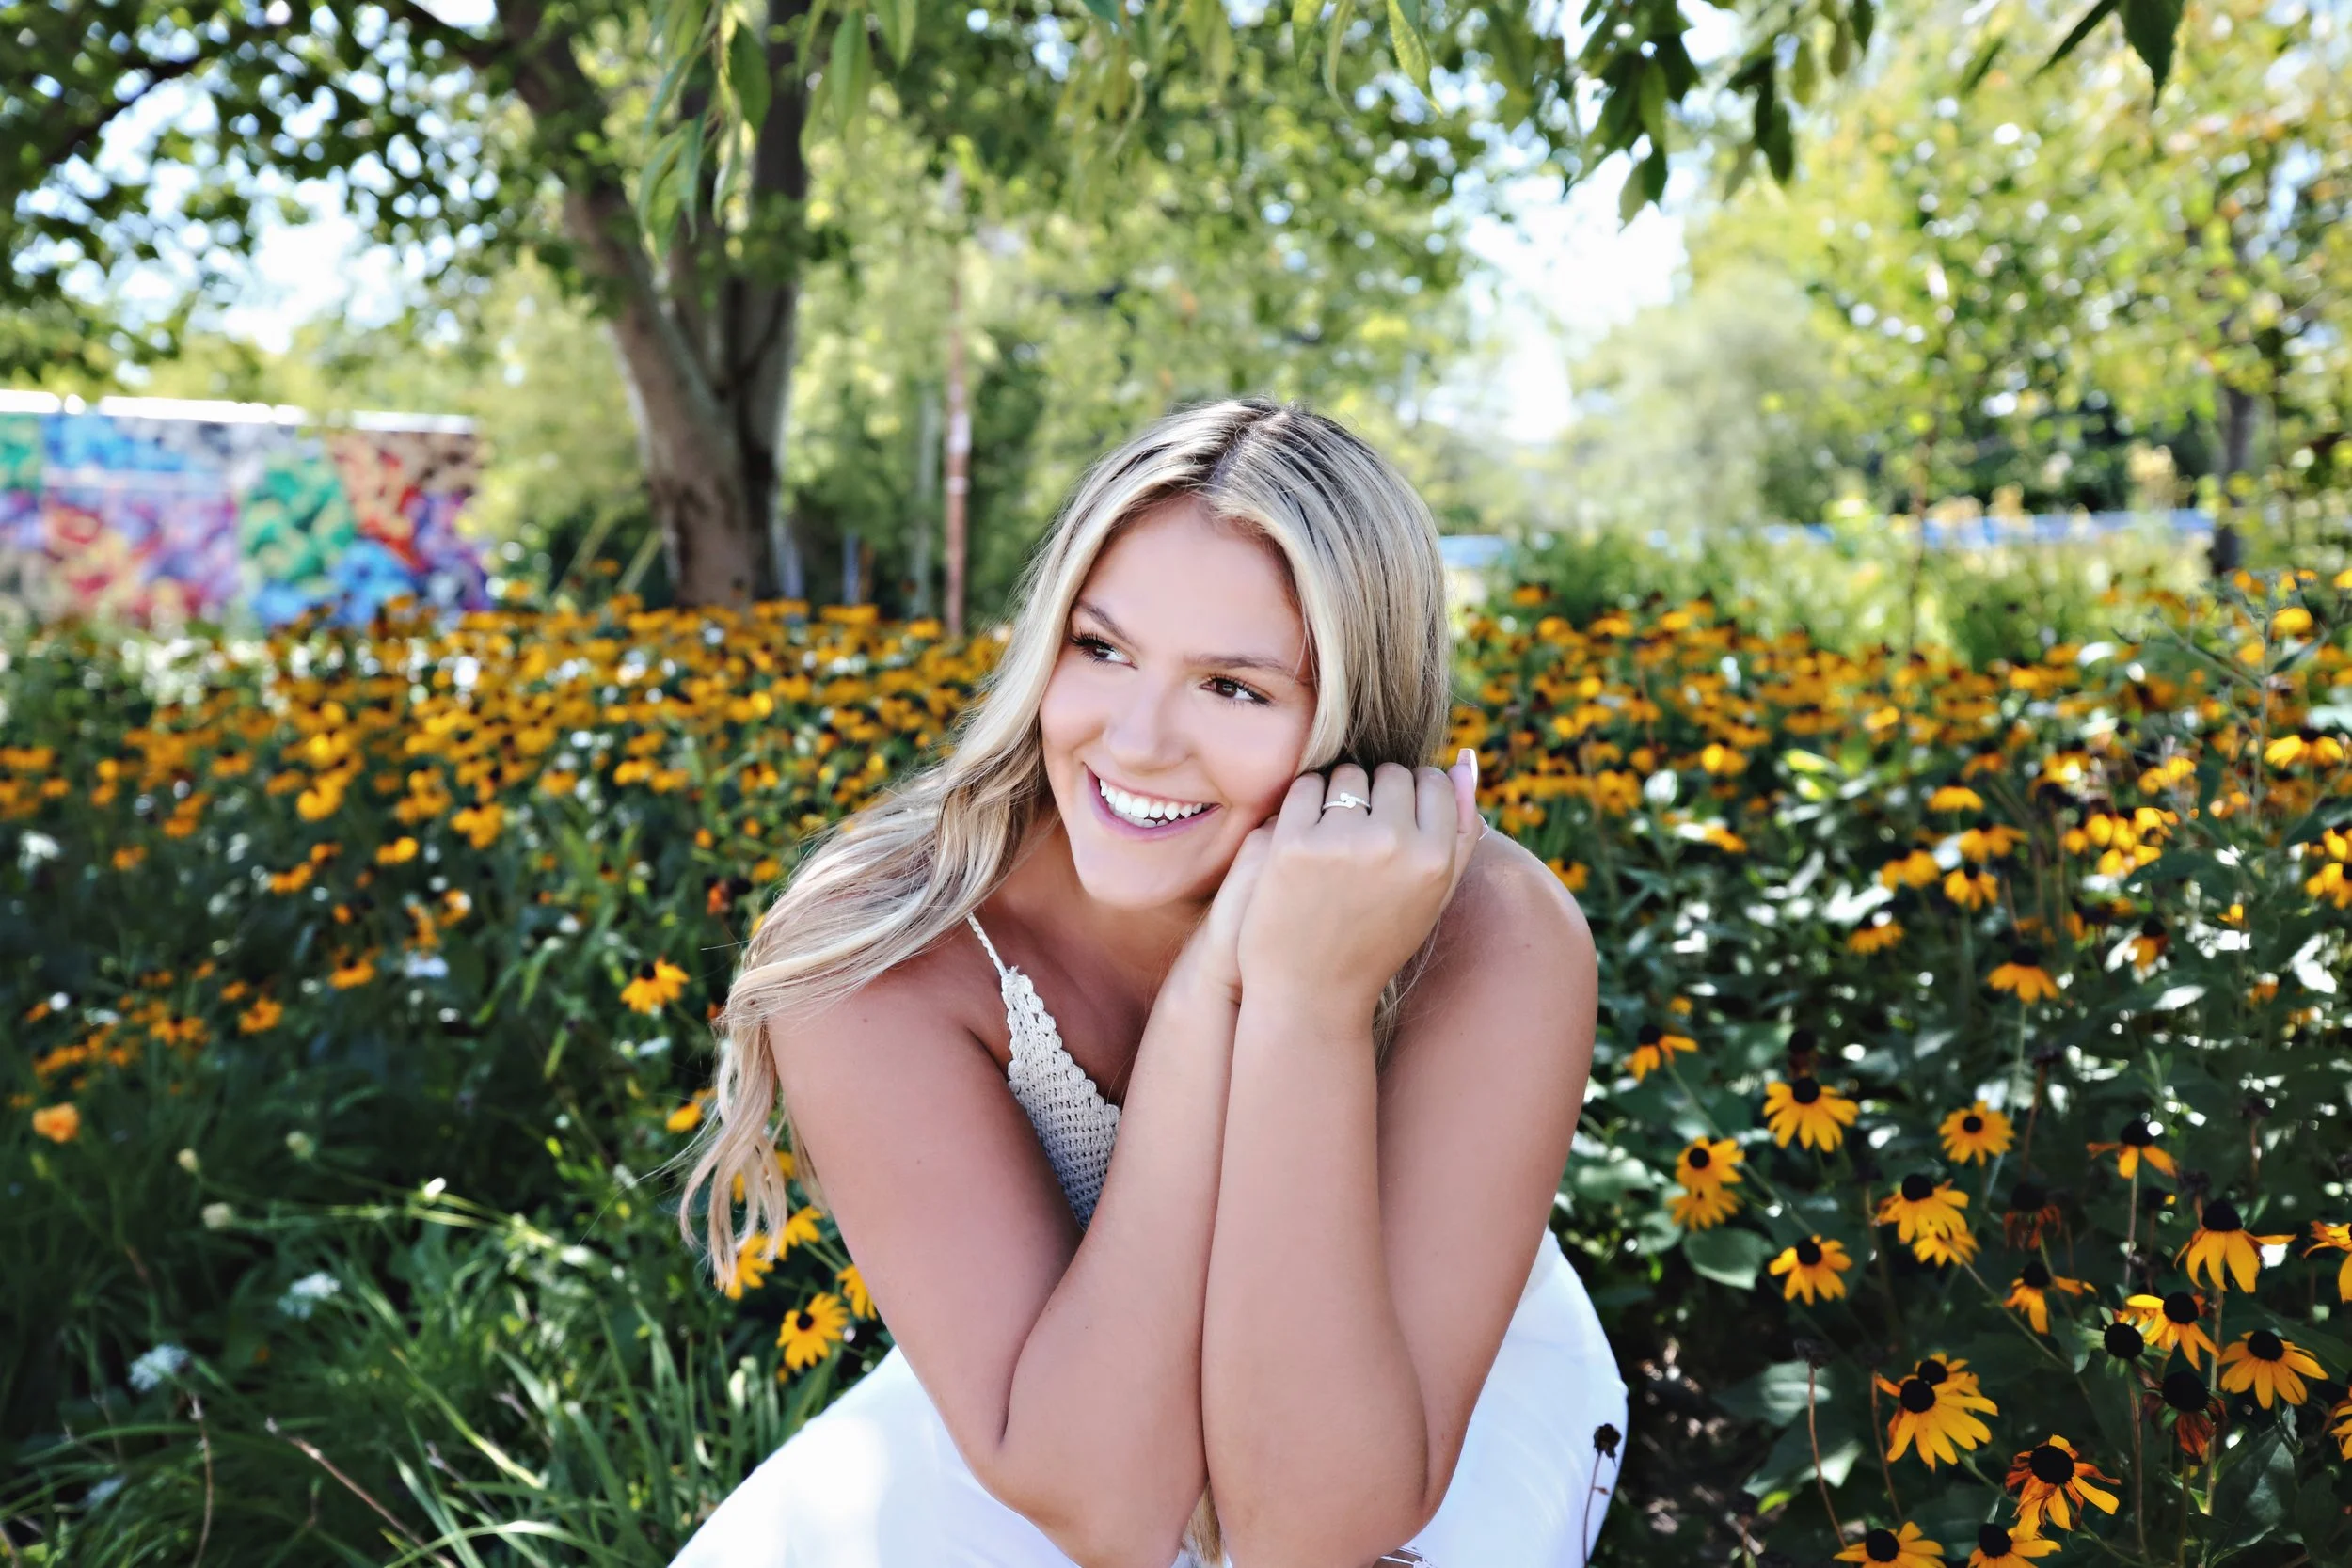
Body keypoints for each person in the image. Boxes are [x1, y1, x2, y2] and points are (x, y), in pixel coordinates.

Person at [671, 397, 1627, 1567]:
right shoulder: (886, 945)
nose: (1134, 741)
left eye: (1234, 686)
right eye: (1101, 647)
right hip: (1067, 1398)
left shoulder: (1492, 931)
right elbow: (1110, 1510)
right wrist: (1205, 1004)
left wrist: (1309, 1011)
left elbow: (1312, 1531)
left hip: (1413, 1413)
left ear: (1355, 715)